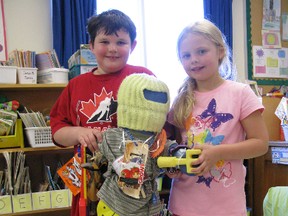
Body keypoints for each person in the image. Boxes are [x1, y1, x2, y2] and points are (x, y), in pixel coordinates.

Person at [49, 9, 154, 216]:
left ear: (132, 46)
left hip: (132, 180)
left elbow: (159, 126)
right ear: (91, 46)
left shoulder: (144, 77)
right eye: (104, 41)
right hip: (90, 181)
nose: (112, 49)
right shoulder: (76, 85)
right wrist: (79, 132)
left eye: (121, 42)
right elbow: (57, 130)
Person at [164, 19, 269, 216]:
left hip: (226, 207)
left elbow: (261, 144)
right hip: (183, 205)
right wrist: (174, 165)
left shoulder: (241, 93)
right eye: (186, 55)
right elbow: (175, 147)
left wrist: (218, 152)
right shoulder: (180, 100)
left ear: (220, 51)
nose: (194, 59)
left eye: (201, 51)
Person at [96, 73, 174, 216]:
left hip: (151, 204)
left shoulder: (158, 138)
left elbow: (167, 148)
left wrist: (177, 153)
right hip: (117, 205)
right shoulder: (115, 136)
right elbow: (127, 170)